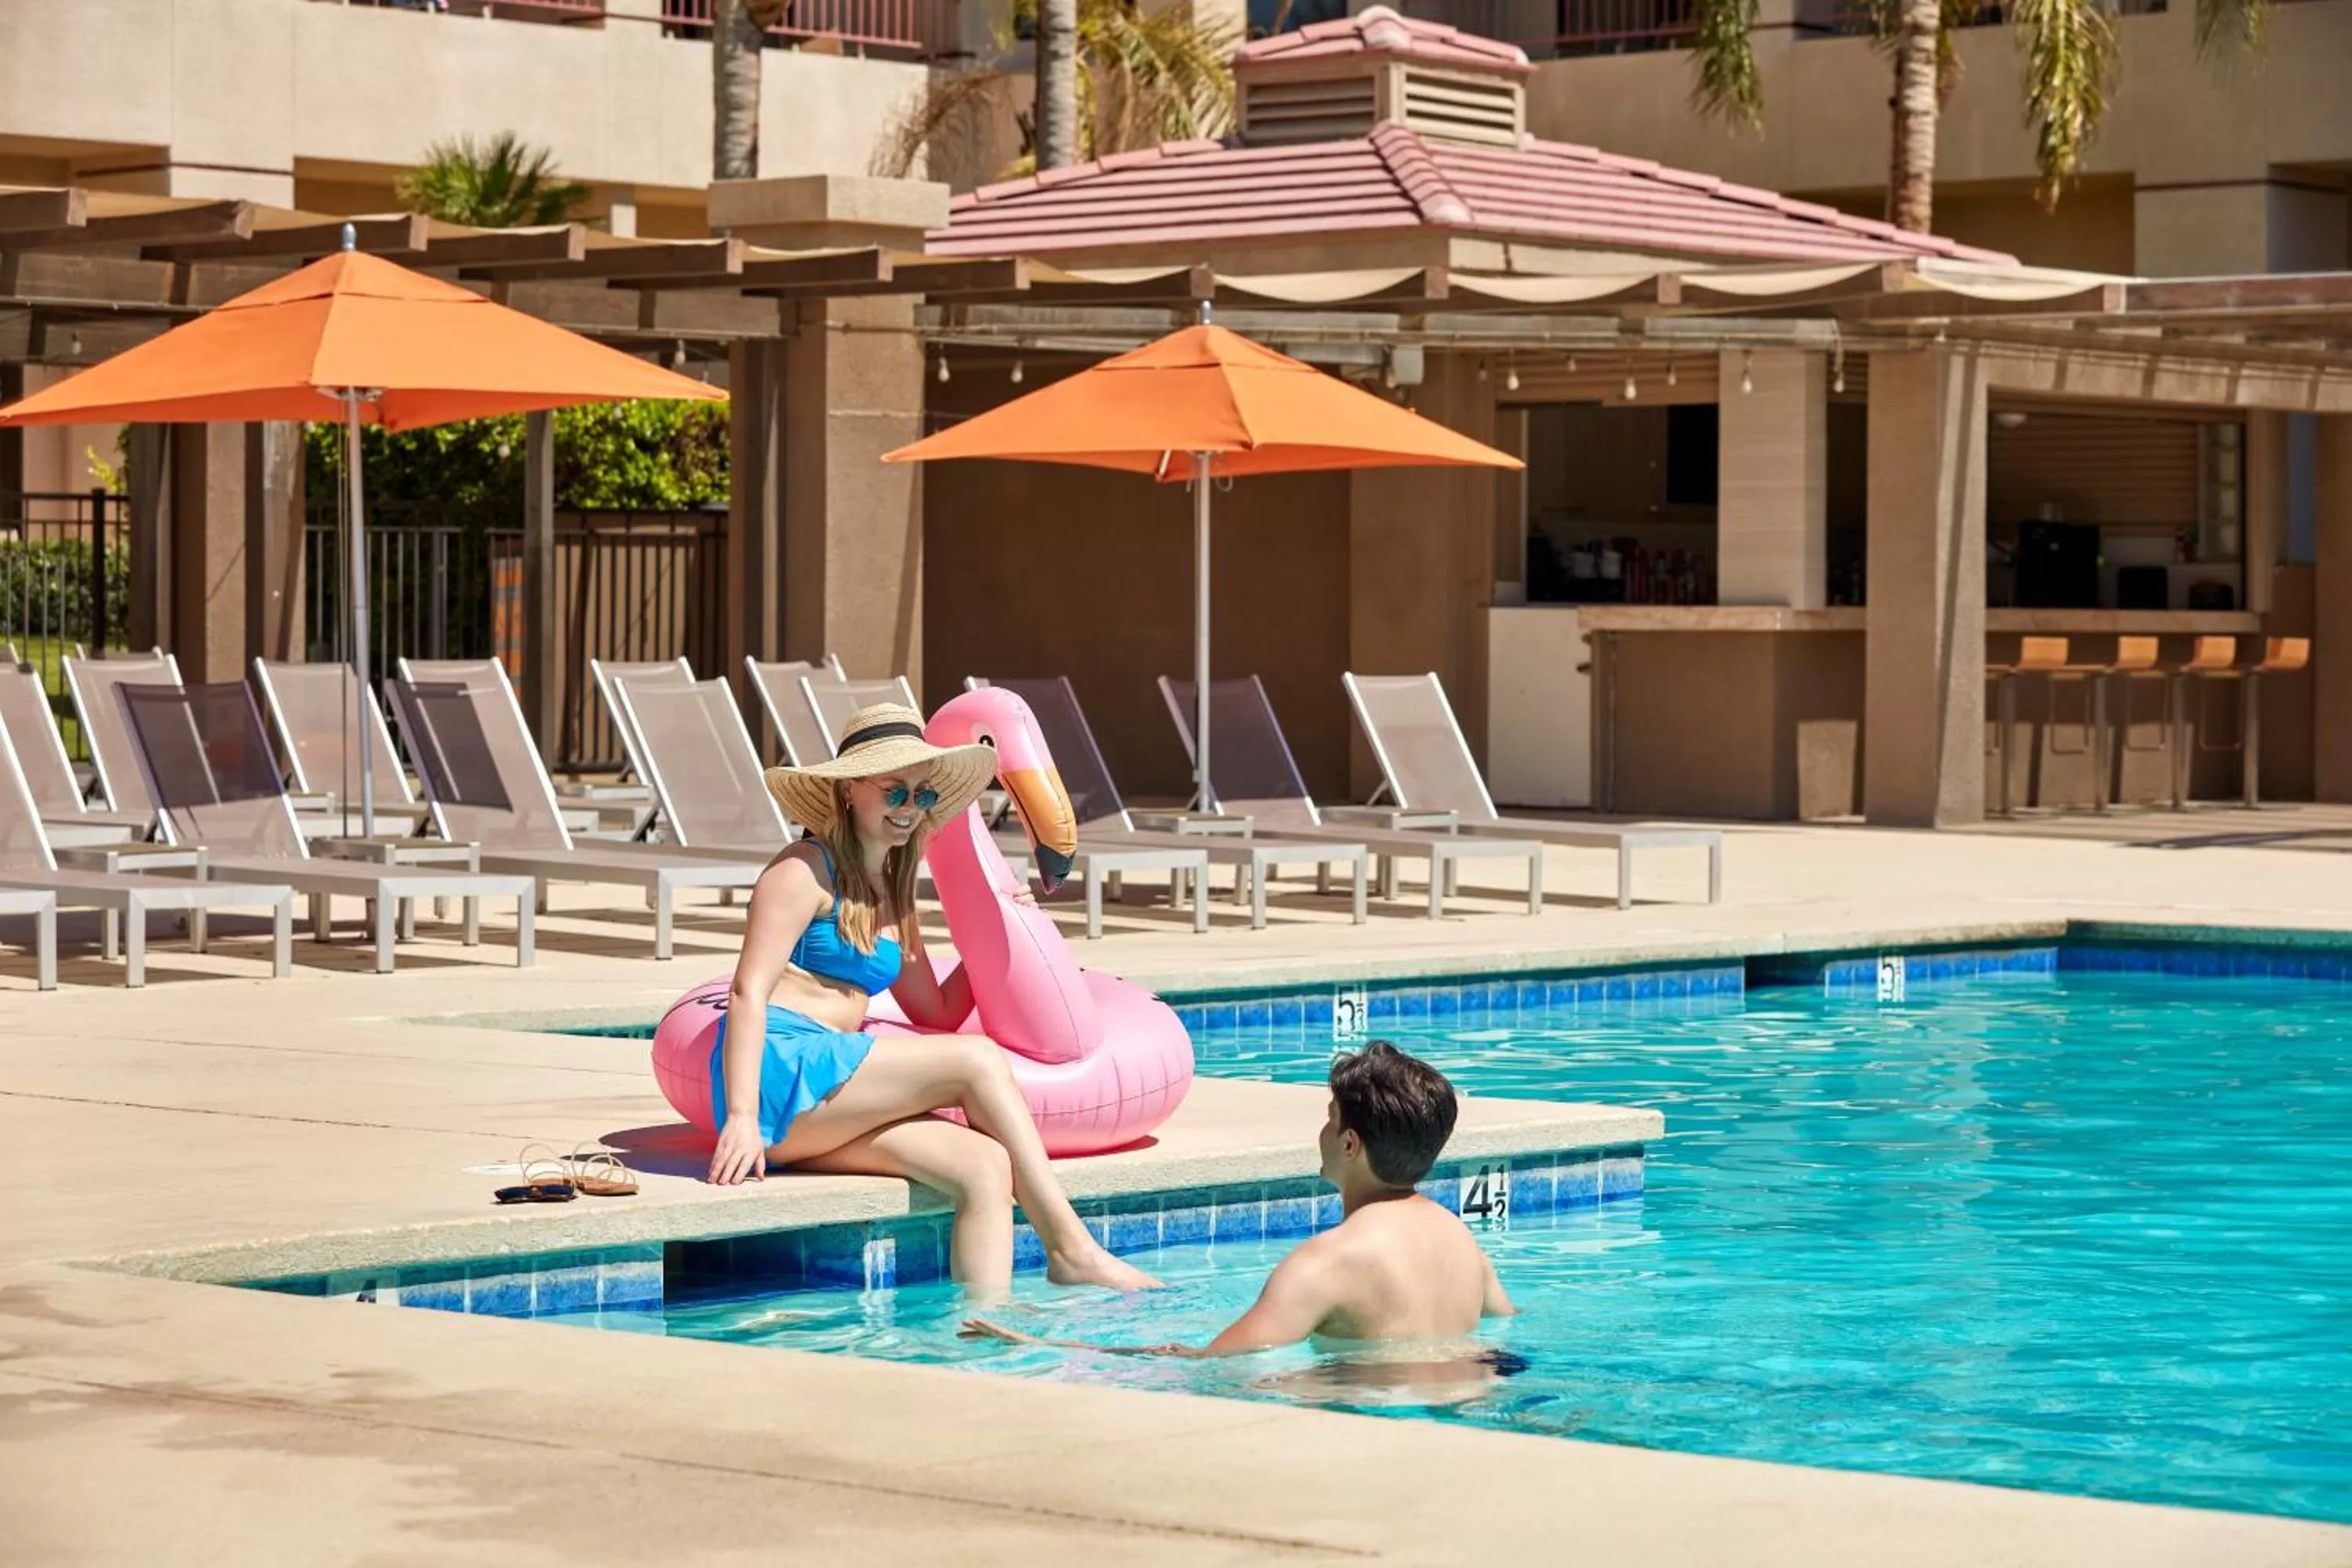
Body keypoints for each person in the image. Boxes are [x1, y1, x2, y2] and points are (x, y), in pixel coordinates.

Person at [706, 702, 1156, 1299]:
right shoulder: (802, 872)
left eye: (921, 796)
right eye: (894, 792)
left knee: (982, 1168)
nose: (909, 809)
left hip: (825, 1096)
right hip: (779, 1075)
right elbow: (747, 990)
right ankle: (1073, 1250)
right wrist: (739, 1116)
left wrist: (1005, 928)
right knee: (976, 1059)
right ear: (847, 793)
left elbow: (935, 1011)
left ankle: (982, 1333)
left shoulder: (891, 893)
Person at [963, 1040, 1514, 1355]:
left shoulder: (1328, 1261)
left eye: (1329, 1120)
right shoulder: (1460, 1239)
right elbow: (1504, 1328)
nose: (1321, 1133)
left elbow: (1207, 1366)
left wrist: (1042, 1346)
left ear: (1351, 1144)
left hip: (1370, 1421)